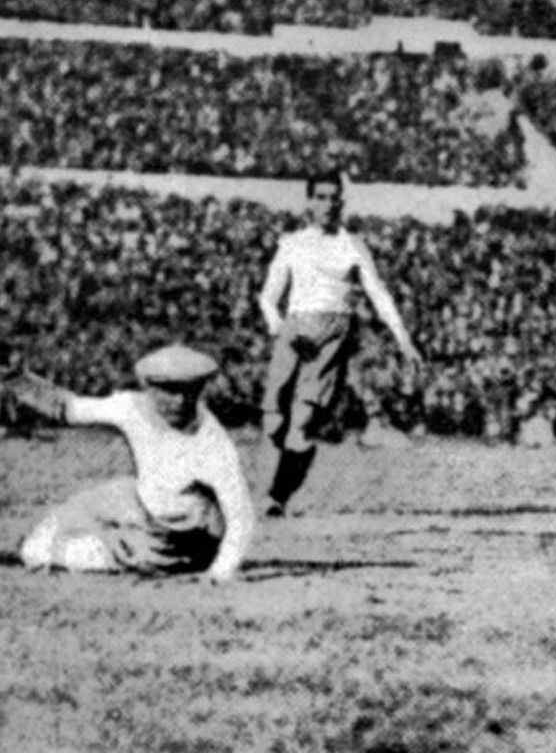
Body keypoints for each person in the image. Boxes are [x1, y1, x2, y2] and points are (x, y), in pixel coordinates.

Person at [257, 170, 423, 517]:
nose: (328, 204)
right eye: (320, 197)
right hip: (293, 332)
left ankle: (278, 497)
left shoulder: (351, 244)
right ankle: (281, 482)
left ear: (341, 202)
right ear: (309, 202)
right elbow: (268, 298)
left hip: (332, 334)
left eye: (334, 197)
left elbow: (379, 293)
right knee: (274, 423)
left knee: (301, 423)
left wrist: (404, 340)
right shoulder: (292, 243)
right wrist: (280, 329)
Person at [14, 345, 254, 583]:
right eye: (169, 390)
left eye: (190, 391)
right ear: (148, 387)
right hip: (140, 500)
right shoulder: (132, 407)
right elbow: (69, 408)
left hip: (175, 540)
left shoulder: (212, 441)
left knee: (44, 553)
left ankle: (77, 548)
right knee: (82, 510)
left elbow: (240, 514)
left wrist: (221, 571)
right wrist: (15, 378)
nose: (180, 401)